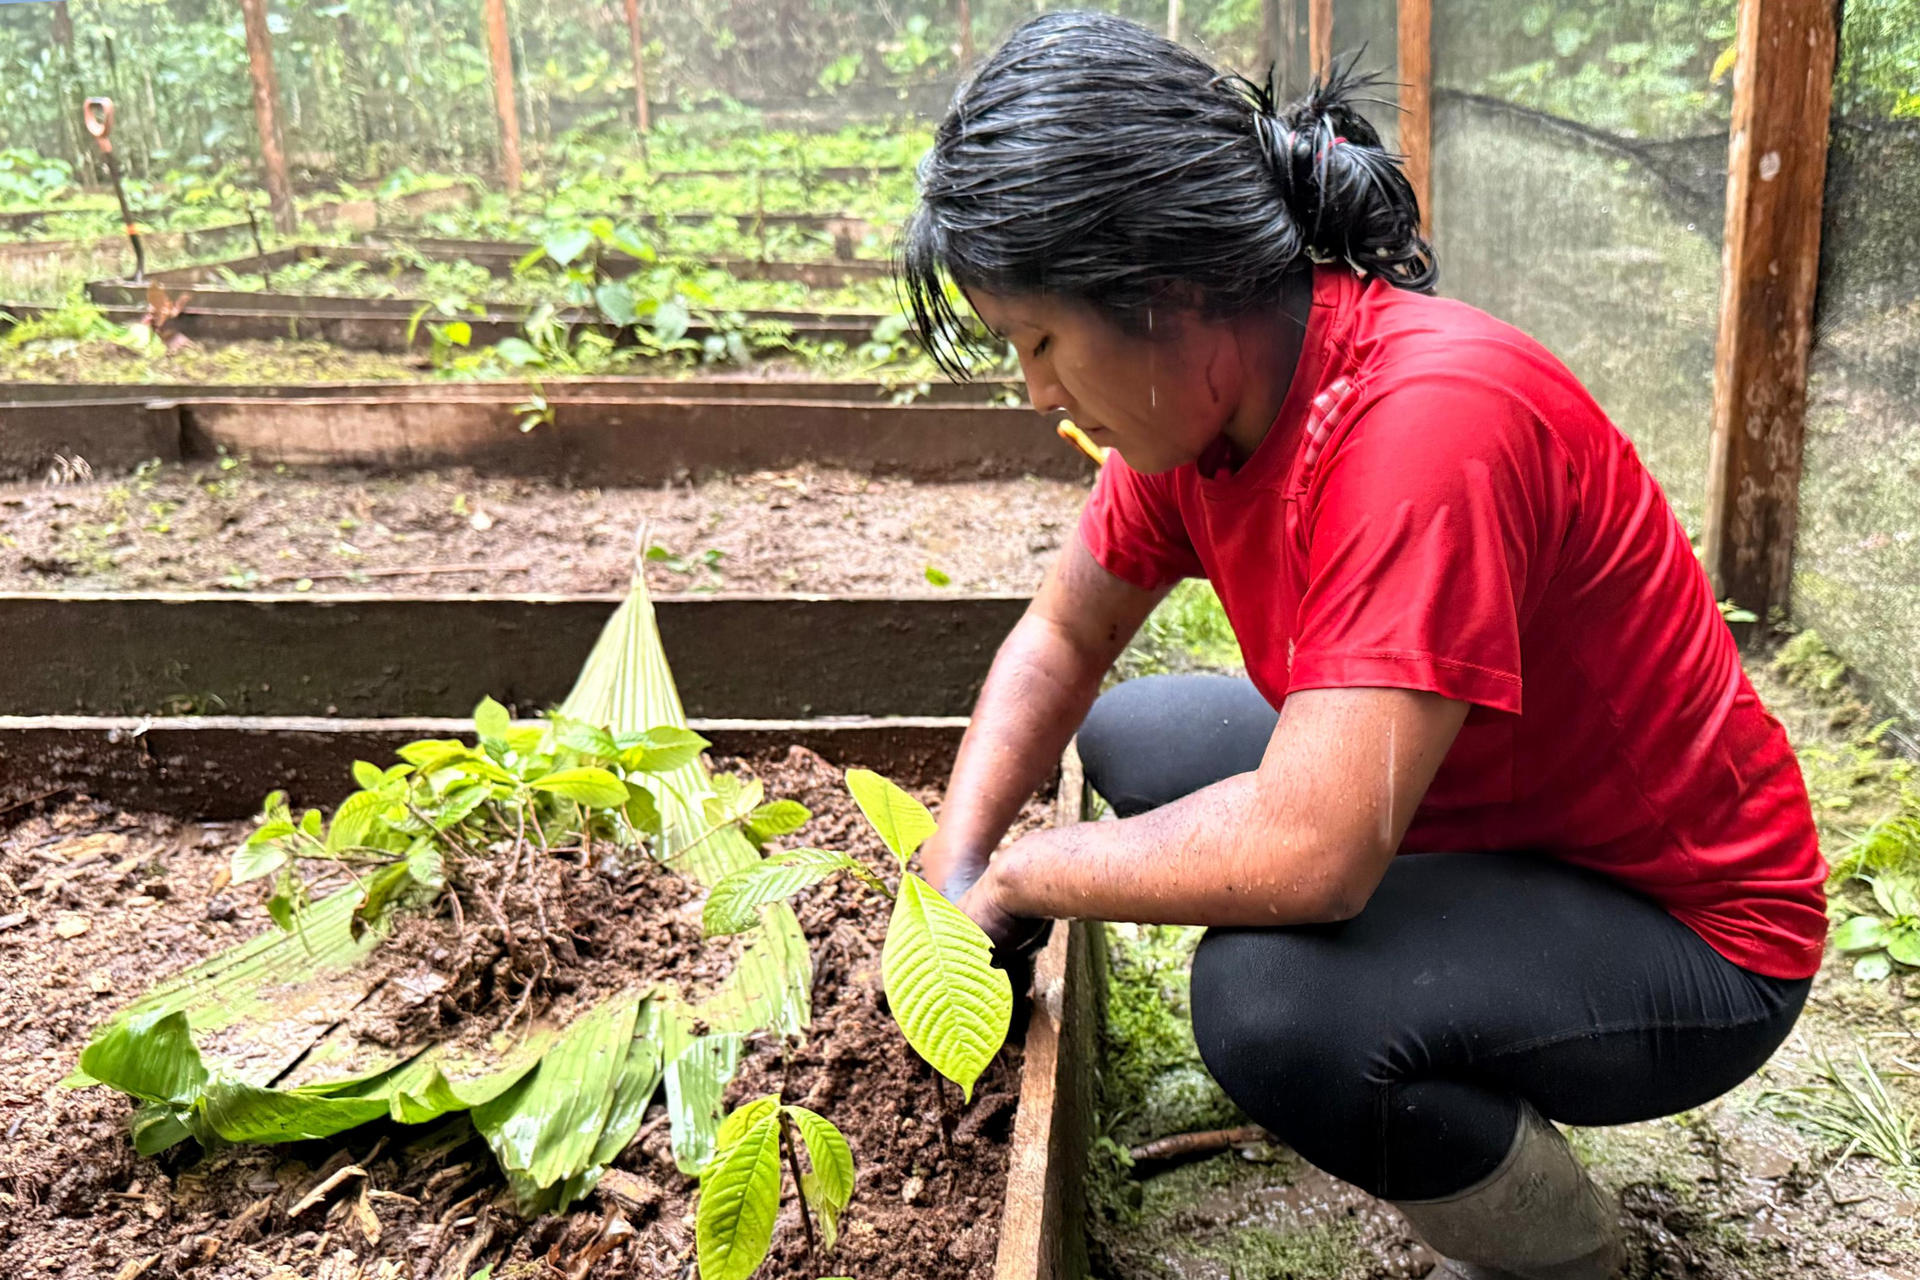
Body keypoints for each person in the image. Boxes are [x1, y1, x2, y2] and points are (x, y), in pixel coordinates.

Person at [897, 13, 1826, 1280]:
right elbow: (1065, 632)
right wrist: (946, 871)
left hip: (1691, 928)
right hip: (1492, 809)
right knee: (1134, 734)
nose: (1038, 393)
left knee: (1272, 1005)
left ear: (1166, 294)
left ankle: (1564, 1257)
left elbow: (1315, 859)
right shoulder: (1207, 409)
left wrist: (1019, 878)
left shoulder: (1421, 426)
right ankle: (1437, 1048)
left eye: (1043, 342)